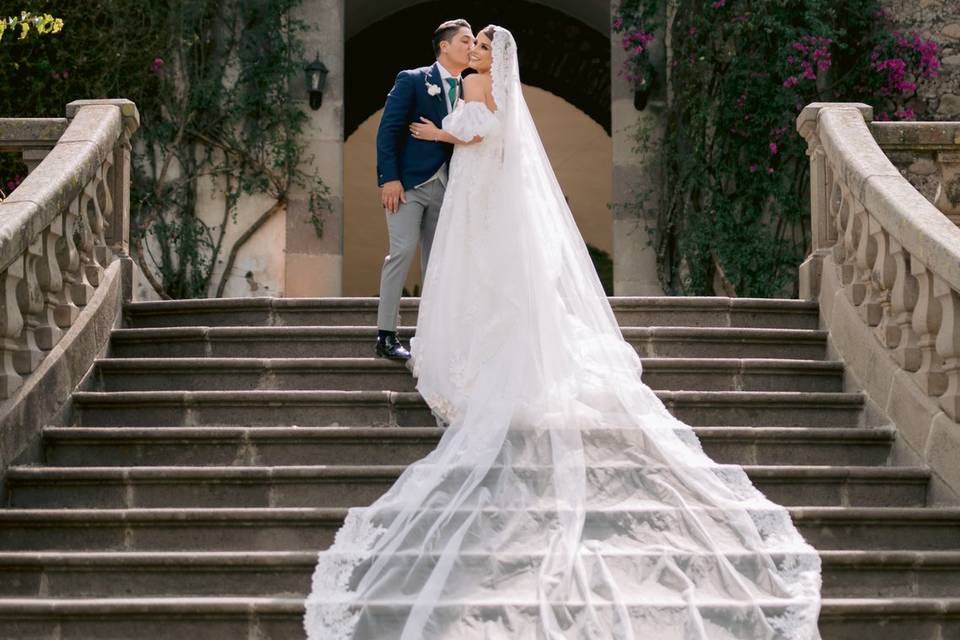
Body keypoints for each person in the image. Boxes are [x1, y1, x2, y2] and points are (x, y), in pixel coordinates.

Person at [305, 25, 822, 640]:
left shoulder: (475, 82)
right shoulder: (462, 81)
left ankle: (471, 355)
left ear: (485, 54)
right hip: (462, 184)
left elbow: (483, 129)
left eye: (478, 42)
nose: (471, 46)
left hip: (469, 183)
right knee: (472, 275)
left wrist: (444, 132)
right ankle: (431, 339)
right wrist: (431, 146)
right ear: (454, 47)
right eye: (465, 40)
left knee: (472, 274)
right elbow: (466, 130)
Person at [373, 19, 475, 361]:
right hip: (408, 187)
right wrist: (389, 178)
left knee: (438, 263)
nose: (472, 46)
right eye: (465, 40)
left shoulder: (470, 89)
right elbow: (388, 131)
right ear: (444, 46)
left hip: (449, 189)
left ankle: (432, 338)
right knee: (400, 253)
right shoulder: (414, 80)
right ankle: (386, 335)